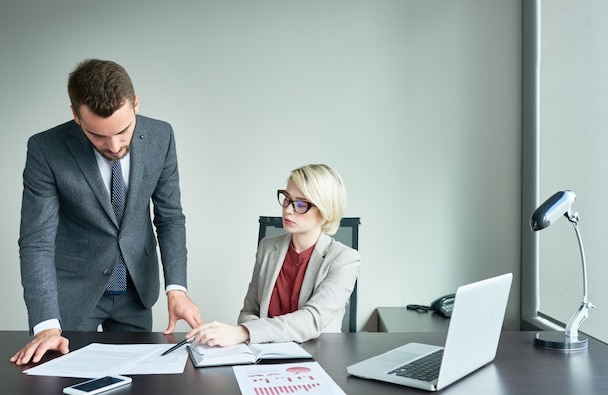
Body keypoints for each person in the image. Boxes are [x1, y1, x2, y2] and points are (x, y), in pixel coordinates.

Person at [11, 59, 203, 365]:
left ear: (135, 104)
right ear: (76, 115)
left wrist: (176, 287)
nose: (114, 145)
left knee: (137, 391)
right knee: (66, 392)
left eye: (123, 131)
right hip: (74, 293)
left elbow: (169, 218)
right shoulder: (46, 149)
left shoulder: (161, 136)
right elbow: (37, 242)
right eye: (98, 135)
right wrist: (46, 325)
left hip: (137, 289)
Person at [188, 164, 360, 347]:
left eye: (301, 204)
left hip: (318, 358)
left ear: (325, 212)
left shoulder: (345, 259)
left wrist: (246, 332)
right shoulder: (267, 248)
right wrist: (254, 334)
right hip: (265, 356)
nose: (288, 209)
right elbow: (248, 312)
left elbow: (312, 320)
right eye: (287, 199)